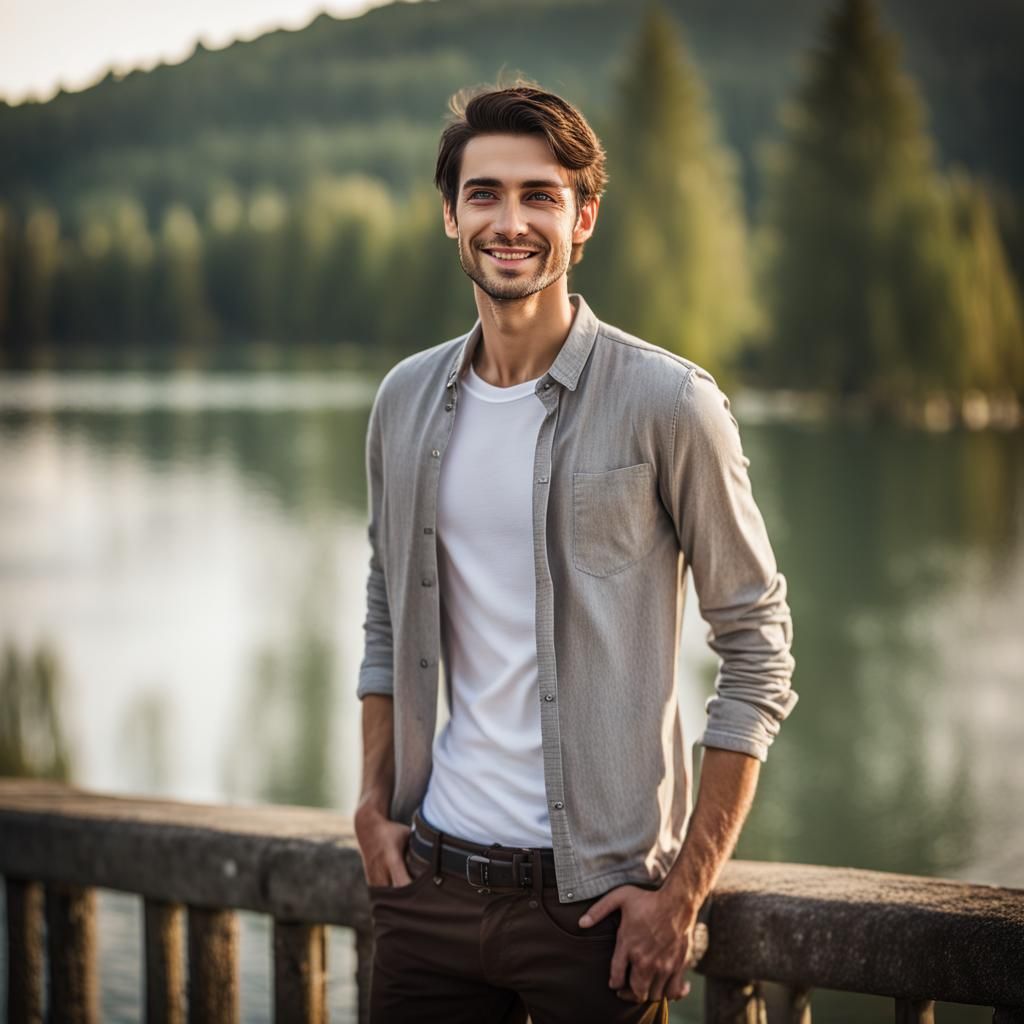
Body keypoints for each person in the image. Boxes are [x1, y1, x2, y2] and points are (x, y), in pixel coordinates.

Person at [353, 82, 797, 1024]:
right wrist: (370, 800)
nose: (509, 221)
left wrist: (683, 893)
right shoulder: (403, 400)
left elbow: (758, 650)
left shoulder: (670, 404)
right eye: (484, 194)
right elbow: (387, 601)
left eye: (539, 195)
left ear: (583, 216)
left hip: (594, 920)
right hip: (428, 894)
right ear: (449, 213)